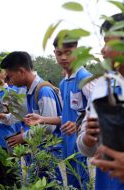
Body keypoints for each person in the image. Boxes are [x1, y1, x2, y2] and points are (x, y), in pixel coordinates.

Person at [77, 13, 124, 189]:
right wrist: (88, 140)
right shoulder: (102, 87)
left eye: (108, 42)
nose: (103, 51)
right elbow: (86, 146)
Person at [0, 51, 63, 183]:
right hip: (38, 151)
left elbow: (48, 127)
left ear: (21, 71)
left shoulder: (43, 91)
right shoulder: (30, 91)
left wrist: (22, 137)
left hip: (47, 152)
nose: (10, 81)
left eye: (10, 76)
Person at [52, 35, 94, 189]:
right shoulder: (63, 83)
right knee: (72, 185)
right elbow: (66, 116)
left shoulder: (86, 79)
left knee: (84, 184)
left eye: (68, 52)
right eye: (59, 53)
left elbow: (99, 112)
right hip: (67, 145)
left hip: (82, 146)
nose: (63, 57)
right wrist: (42, 118)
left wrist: (79, 123)